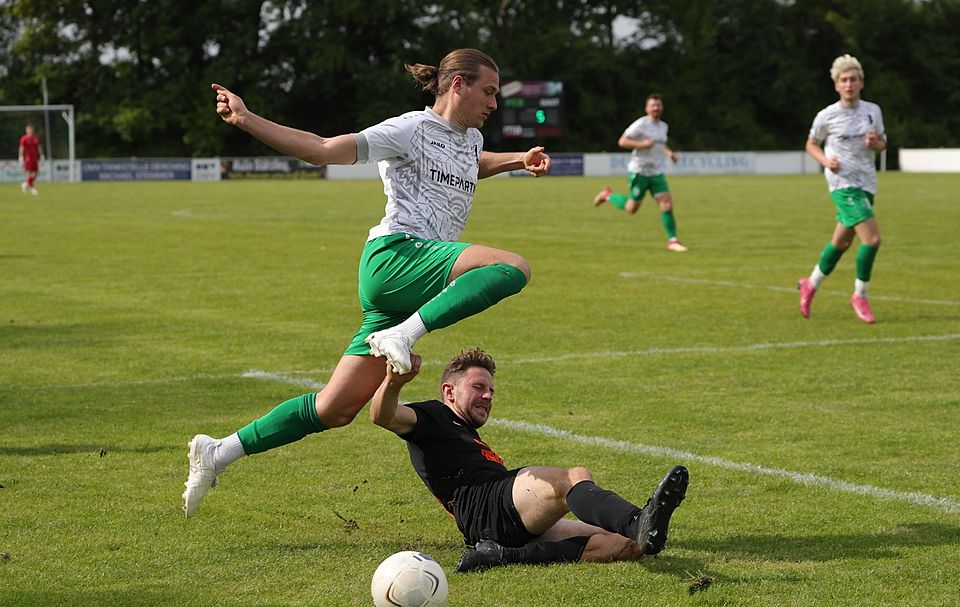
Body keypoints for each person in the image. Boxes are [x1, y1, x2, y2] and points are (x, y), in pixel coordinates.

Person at [182, 49, 551, 517]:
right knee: (511, 268)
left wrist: (518, 159)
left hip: (411, 283)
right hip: (395, 259)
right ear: (457, 84)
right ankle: (403, 334)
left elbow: (470, 164)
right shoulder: (408, 129)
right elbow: (321, 149)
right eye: (490, 91)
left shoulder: (471, 139)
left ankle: (218, 452)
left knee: (335, 409)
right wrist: (248, 118)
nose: (495, 103)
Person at [370, 347, 689, 571]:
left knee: (625, 545)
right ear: (449, 391)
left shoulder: (467, 434)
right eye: (478, 387)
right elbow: (383, 415)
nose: (488, 395)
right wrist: (394, 382)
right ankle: (639, 520)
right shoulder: (433, 415)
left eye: (491, 390)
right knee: (572, 478)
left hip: (495, 519)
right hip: (487, 505)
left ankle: (502, 556)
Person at [798, 54, 886, 324]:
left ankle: (810, 283)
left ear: (861, 83)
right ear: (836, 85)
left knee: (842, 242)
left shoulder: (873, 111)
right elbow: (811, 144)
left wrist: (874, 144)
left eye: (854, 79)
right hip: (842, 184)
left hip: (867, 182)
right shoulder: (827, 115)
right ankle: (860, 295)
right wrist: (826, 161)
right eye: (844, 80)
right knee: (871, 240)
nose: (849, 84)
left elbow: (882, 143)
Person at [592, 93, 687, 252]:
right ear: (647, 108)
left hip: (656, 171)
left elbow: (659, 145)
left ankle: (673, 240)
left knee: (666, 203)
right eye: (653, 105)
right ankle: (607, 195)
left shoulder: (663, 126)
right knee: (631, 209)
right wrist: (641, 144)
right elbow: (622, 141)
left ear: (662, 107)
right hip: (639, 171)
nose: (656, 108)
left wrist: (669, 153)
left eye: (658, 105)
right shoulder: (640, 124)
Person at [19, 124, 43, 196]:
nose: (30, 130)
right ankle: (33, 189)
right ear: (26, 130)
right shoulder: (24, 138)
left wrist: (42, 155)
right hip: (28, 158)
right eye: (29, 129)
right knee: (30, 173)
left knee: (35, 173)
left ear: (33, 130)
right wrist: (20, 156)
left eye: (31, 129)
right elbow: (21, 148)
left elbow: (39, 147)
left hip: (35, 158)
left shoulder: (36, 138)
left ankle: (25, 184)